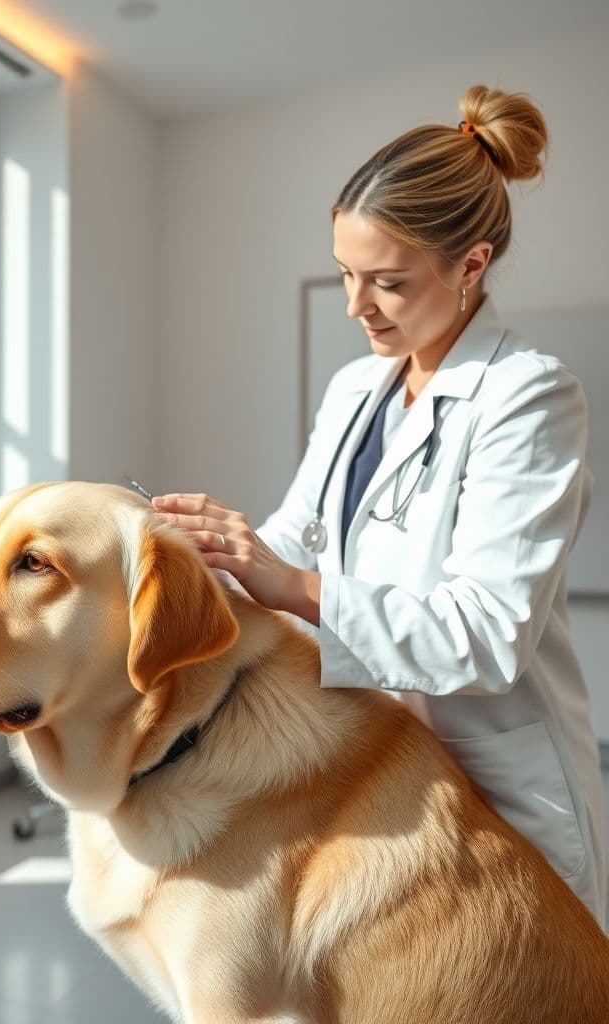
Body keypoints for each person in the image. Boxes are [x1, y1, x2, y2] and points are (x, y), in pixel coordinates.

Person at [152, 85, 607, 930]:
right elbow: (306, 536)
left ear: (470, 265)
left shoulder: (529, 396)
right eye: (345, 275)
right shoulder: (359, 386)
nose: (357, 307)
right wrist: (217, 545)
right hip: (376, 758)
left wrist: (291, 585)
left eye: (387, 283)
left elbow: (486, 634)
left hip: (493, 773)